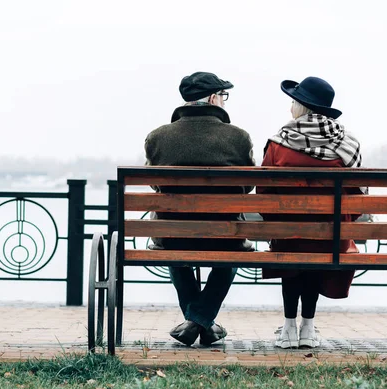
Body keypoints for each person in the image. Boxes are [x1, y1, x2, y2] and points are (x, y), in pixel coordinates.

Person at [144, 71, 256, 346]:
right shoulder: (238, 138)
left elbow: (154, 185)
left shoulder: (157, 137)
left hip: (173, 234)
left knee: (173, 248)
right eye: (224, 96)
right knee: (232, 251)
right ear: (215, 98)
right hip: (225, 234)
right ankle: (201, 321)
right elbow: (249, 185)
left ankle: (194, 322)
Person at [257, 76, 366, 348]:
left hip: (287, 235)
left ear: (301, 107)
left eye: (292, 102)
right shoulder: (347, 144)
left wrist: (278, 221)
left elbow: (263, 194)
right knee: (318, 249)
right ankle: (308, 328)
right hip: (333, 238)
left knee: (294, 250)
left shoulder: (278, 143)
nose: (289, 108)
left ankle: (288, 329)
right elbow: (356, 197)